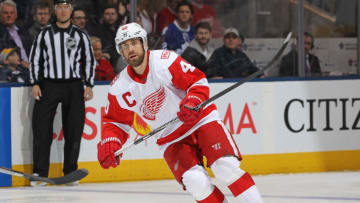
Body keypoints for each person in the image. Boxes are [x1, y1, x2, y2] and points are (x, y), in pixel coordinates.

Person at [97, 22, 263, 203]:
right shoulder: (119, 87)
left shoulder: (164, 61)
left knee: (226, 167)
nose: (130, 49)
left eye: (134, 43)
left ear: (144, 43)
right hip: (170, 137)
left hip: (200, 120)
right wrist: (111, 143)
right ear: (120, 51)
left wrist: (192, 101)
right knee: (195, 182)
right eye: (125, 46)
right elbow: (114, 121)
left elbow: (197, 81)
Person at [29, 0, 96, 186]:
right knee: (42, 129)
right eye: (60, 7)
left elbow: (89, 60)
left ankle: (70, 172)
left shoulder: (81, 35)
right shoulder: (43, 35)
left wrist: (89, 85)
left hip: (74, 86)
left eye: (67, 7)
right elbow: (35, 60)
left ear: (71, 10)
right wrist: (35, 82)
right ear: (55, 10)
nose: (63, 10)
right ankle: (40, 173)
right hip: (48, 85)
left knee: (74, 130)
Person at [0, 0, 33, 68]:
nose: (9, 15)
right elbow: (5, 56)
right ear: (0, 15)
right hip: (16, 69)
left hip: (31, 67)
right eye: (6, 13)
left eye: (12, 13)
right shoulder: (1, 34)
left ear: (16, 15)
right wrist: (21, 63)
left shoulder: (22, 30)